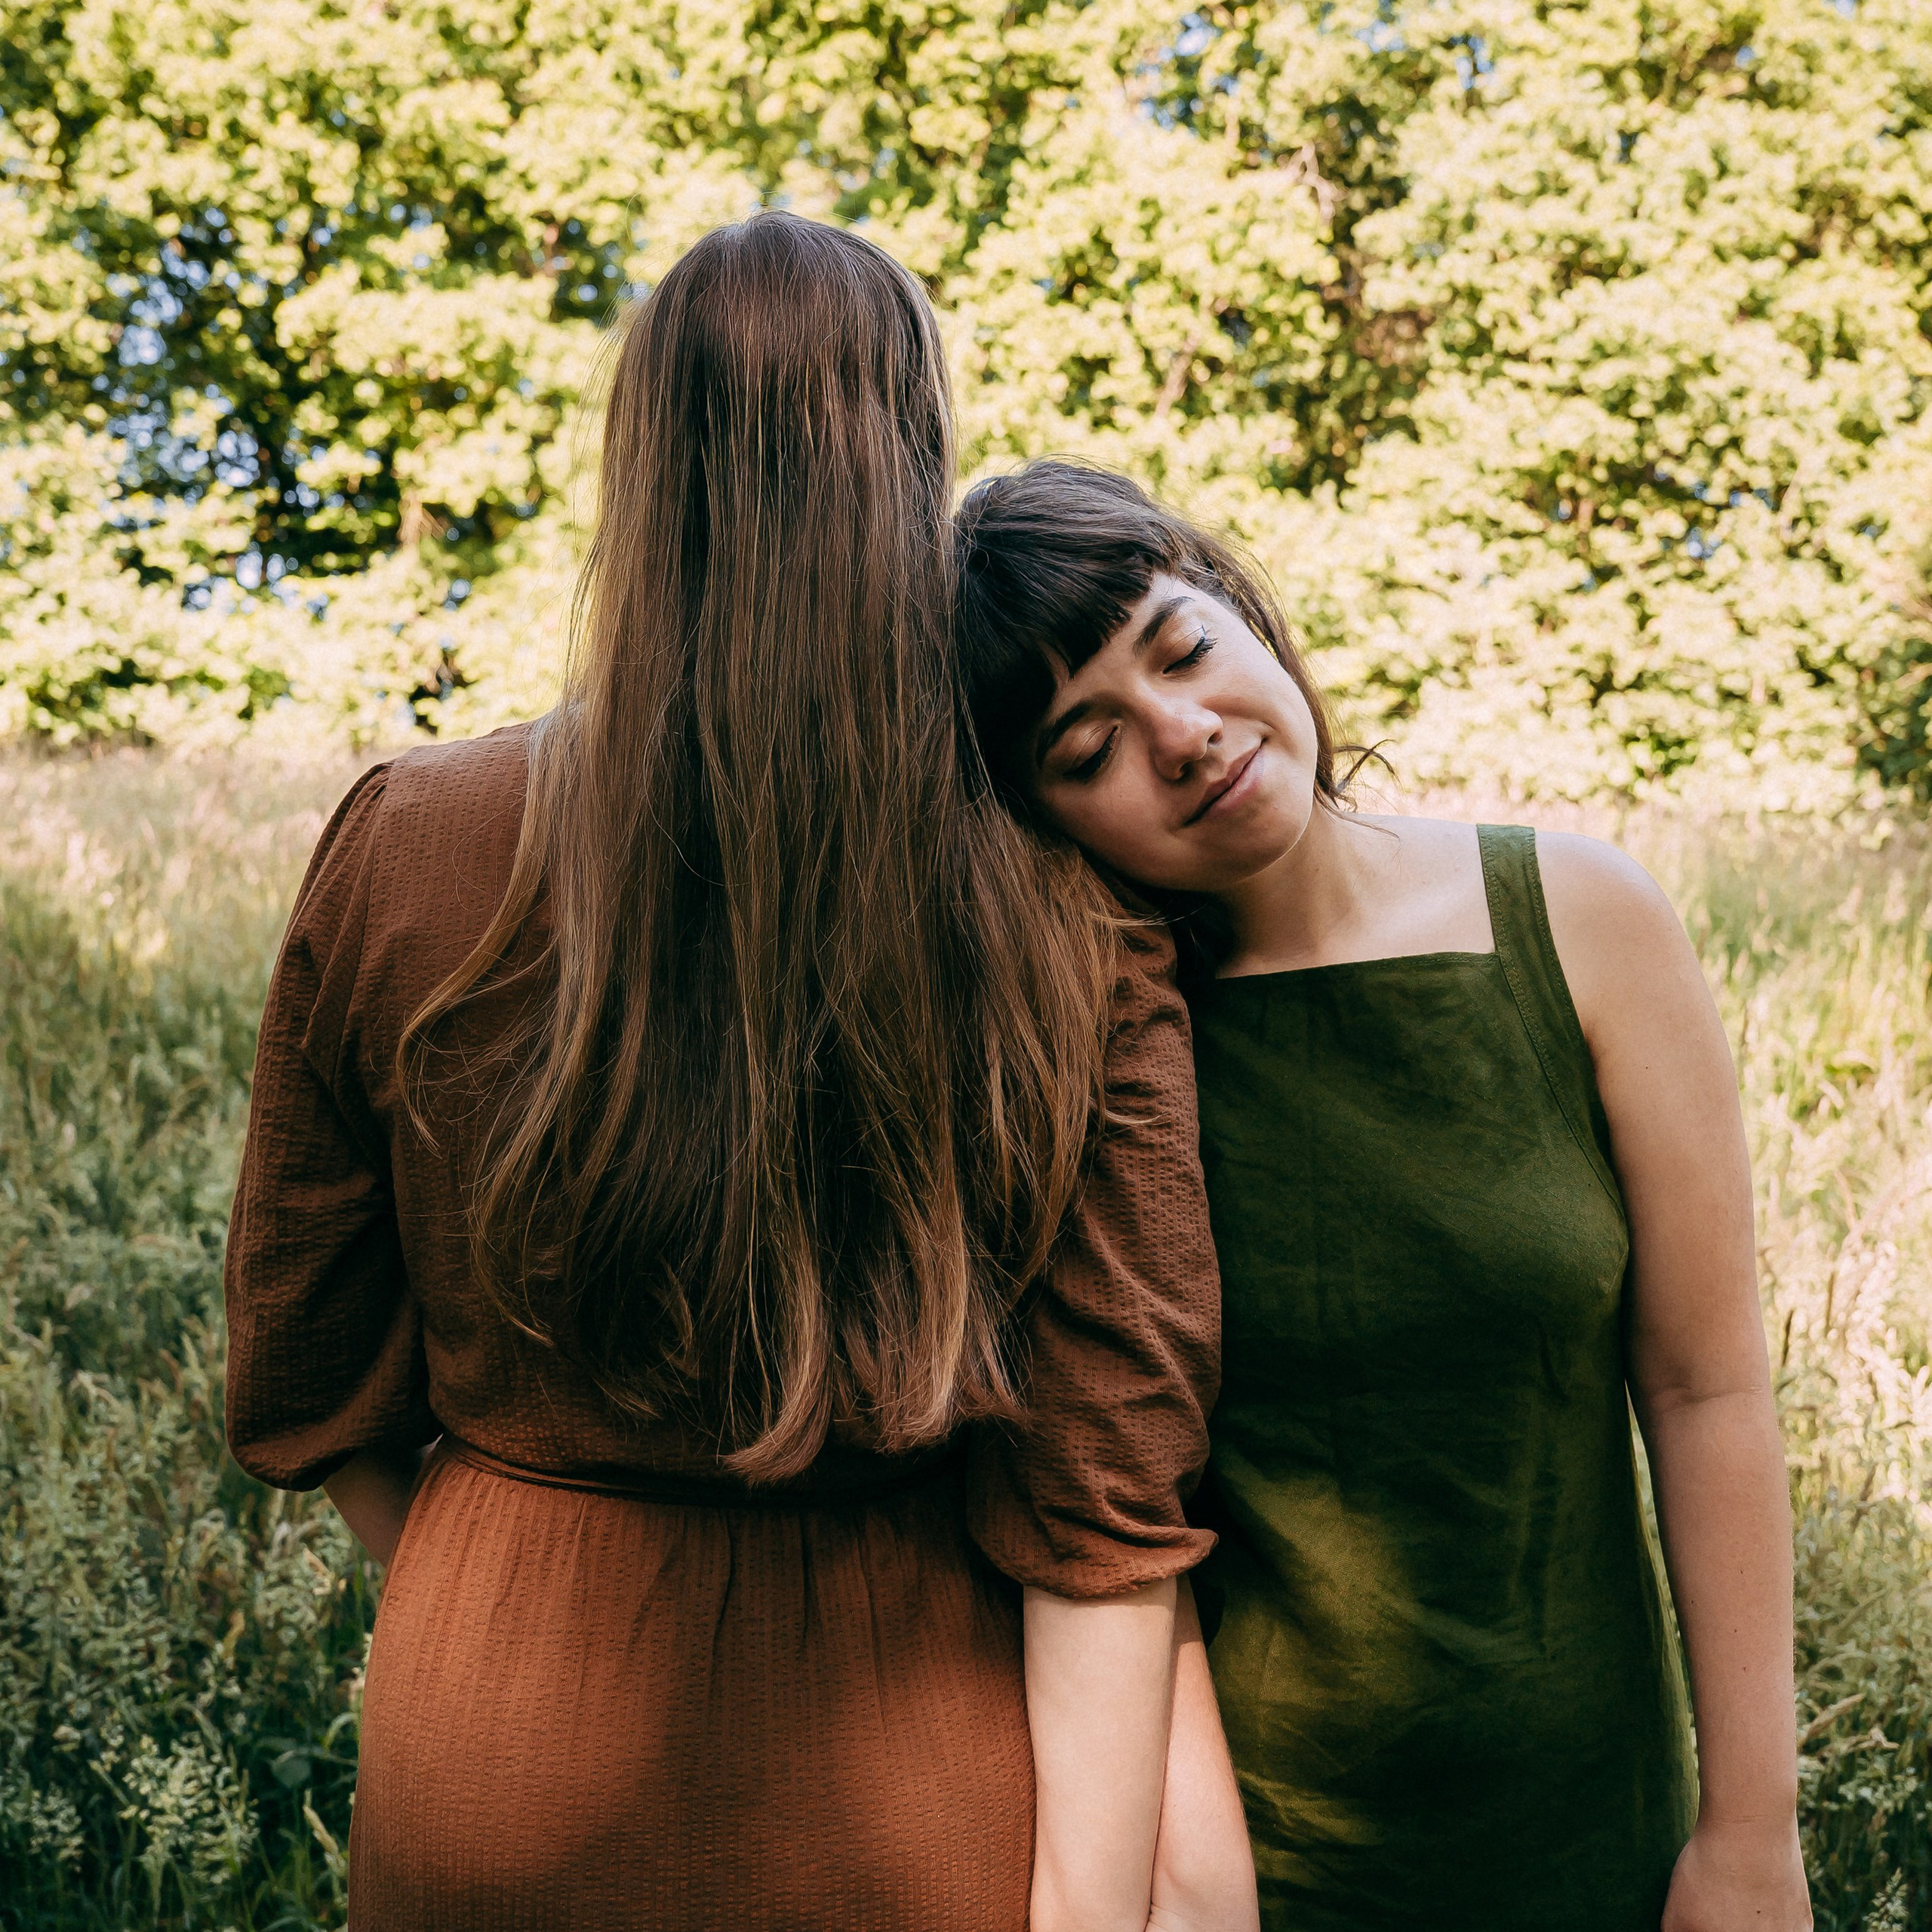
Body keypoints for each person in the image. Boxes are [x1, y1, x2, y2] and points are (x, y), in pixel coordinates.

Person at [223, 220, 1237, 1930]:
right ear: (912, 463)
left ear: (639, 470)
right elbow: (1107, 1500)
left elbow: (306, 1362)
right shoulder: (1067, 913)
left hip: (492, 1744)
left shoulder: (403, 848)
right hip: (909, 1771)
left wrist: (505, 1577)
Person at [952, 460, 1813, 1932]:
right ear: (1039, 821)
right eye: (1085, 745)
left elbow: (1704, 1388)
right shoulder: (1092, 1059)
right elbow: (1098, 1509)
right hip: (1266, 1872)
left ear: (1235, 610)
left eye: (1176, 648)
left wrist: (1750, 1831)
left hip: (1604, 1842)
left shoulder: (1583, 916)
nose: (1180, 736)